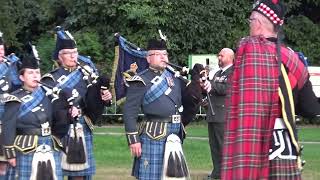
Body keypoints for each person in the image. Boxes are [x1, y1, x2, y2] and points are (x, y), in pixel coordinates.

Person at [221, 0, 320, 179]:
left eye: (250, 20)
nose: (249, 25)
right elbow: (311, 109)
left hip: (251, 144)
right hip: (284, 146)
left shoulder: (248, 51)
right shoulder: (293, 59)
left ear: (258, 24)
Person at [123, 38, 211, 180]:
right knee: (151, 176)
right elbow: (129, 111)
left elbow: (190, 101)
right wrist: (133, 139)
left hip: (174, 132)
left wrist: (199, 87)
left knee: (172, 176)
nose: (163, 57)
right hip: (153, 132)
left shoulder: (175, 77)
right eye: (158, 54)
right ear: (148, 58)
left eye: (165, 54)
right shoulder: (140, 80)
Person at [42, 27, 112, 180]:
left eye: (75, 52)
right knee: (56, 172)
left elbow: (93, 101)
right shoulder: (51, 79)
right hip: (60, 128)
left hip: (81, 126)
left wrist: (105, 97)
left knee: (80, 174)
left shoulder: (86, 74)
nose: (73, 56)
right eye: (68, 53)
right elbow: (48, 106)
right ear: (60, 57)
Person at [1, 51, 76, 180]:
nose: (35, 76)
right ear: (22, 77)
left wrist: (69, 112)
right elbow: (8, 126)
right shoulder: (14, 99)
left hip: (49, 144)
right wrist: (10, 154)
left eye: (37, 72)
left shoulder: (49, 95)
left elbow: (58, 121)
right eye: (30, 73)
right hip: (26, 147)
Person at [206, 48, 234, 180]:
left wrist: (212, 87)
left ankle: (227, 173)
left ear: (230, 57)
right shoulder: (217, 73)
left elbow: (228, 89)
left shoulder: (234, 72)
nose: (219, 58)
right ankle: (217, 172)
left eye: (222, 56)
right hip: (213, 114)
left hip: (224, 115)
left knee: (223, 146)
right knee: (214, 146)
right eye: (218, 56)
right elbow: (212, 90)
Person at [0, 31, 21, 180]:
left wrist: (17, 66)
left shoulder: (10, 65)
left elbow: (18, 85)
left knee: (4, 161)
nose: (1, 54)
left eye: (2, 50)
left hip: (6, 117)